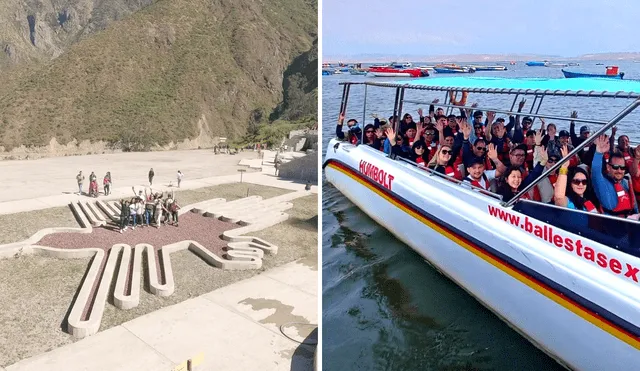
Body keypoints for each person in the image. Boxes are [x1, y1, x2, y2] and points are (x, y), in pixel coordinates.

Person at [591, 135, 639, 218]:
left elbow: (634, 207)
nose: (619, 170)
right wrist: (599, 153)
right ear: (608, 168)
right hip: (613, 225)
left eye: (622, 167)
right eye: (615, 167)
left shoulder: (625, 182)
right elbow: (596, 172)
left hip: (632, 222)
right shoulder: (602, 184)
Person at [554, 145, 599, 212]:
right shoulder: (568, 202)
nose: (581, 184)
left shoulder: (588, 201)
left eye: (584, 182)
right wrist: (564, 167)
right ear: (571, 183)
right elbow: (559, 198)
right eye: (576, 181)